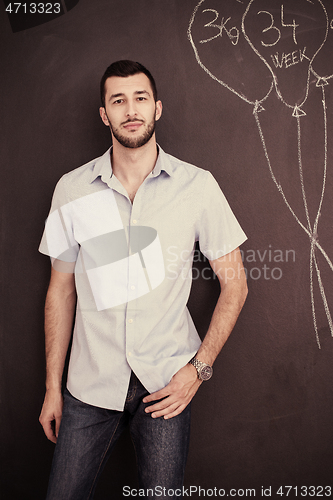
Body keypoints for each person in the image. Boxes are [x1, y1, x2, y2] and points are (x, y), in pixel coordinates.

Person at [38, 60, 248, 499]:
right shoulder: (71, 190)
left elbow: (237, 285)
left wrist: (198, 370)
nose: (130, 109)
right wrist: (52, 388)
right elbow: (60, 289)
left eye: (140, 98)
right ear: (104, 114)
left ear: (157, 108)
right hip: (88, 386)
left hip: (167, 385)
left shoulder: (197, 186)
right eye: (118, 100)